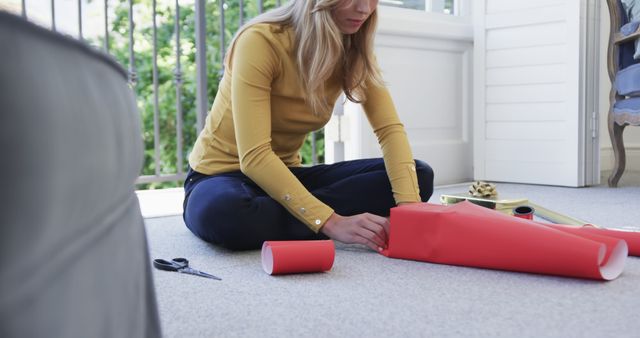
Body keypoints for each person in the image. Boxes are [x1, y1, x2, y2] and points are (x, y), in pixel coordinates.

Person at [183, 0, 434, 252]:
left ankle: (286, 212)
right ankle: (307, 215)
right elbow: (254, 157)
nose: (364, 9)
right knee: (224, 214)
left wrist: (408, 211)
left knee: (418, 177)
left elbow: (389, 131)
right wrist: (330, 221)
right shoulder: (261, 41)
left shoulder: (353, 47)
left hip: (285, 174)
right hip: (220, 176)